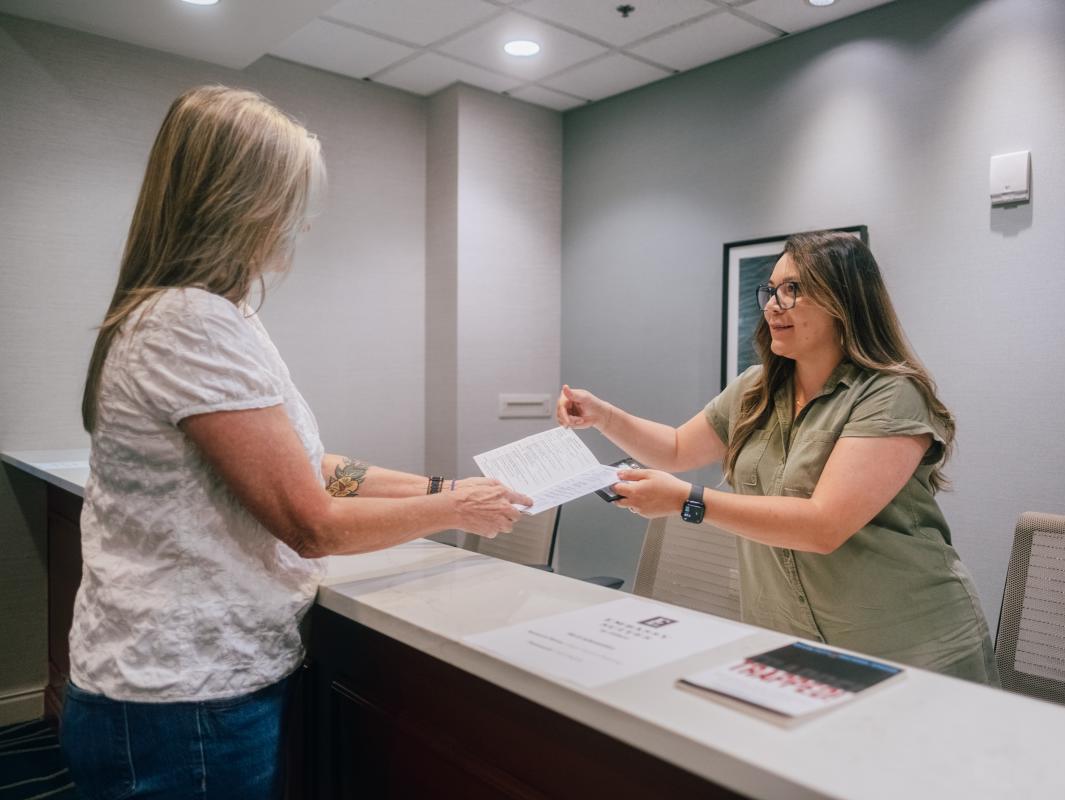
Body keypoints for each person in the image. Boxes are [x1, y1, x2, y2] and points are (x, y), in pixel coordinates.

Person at [61, 85, 532, 799]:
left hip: (197, 689)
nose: (297, 227)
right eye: (289, 202)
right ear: (238, 201)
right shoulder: (188, 321)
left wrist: (438, 486)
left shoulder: (225, 315)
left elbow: (315, 468)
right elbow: (310, 522)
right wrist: (457, 510)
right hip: (180, 700)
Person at [557, 231, 998, 684]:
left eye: (793, 290)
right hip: (789, 639)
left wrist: (688, 501)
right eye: (771, 290)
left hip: (908, 643)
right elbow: (673, 448)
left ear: (843, 301)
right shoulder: (755, 387)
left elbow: (823, 525)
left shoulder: (890, 395)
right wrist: (603, 415)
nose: (772, 304)